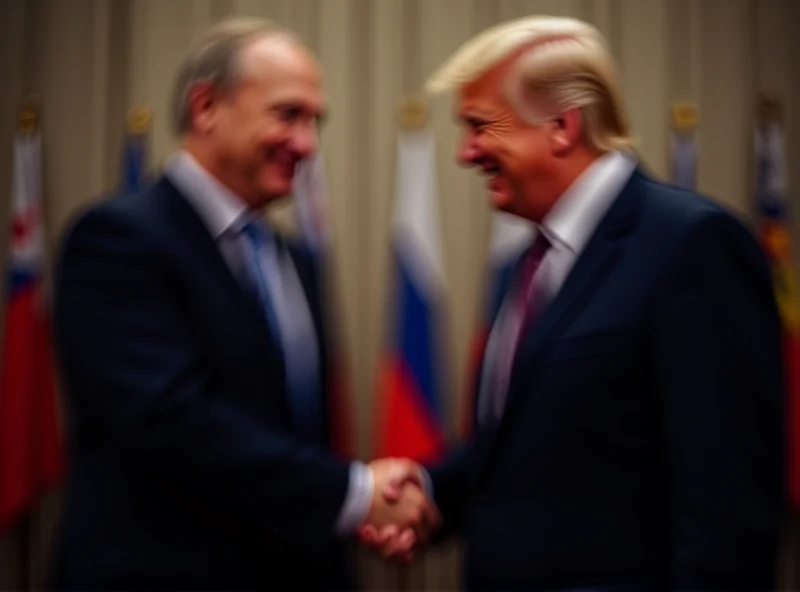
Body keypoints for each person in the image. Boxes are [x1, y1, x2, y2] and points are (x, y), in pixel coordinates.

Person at [363, 15, 786, 591]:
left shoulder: (693, 245)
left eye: (480, 126)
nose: (465, 153)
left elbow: (728, 509)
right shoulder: (529, 261)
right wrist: (428, 491)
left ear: (561, 127)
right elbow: (526, 447)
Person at [50, 18, 437, 591]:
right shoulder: (116, 239)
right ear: (206, 107)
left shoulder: (292, 258)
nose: (307, 145)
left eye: (315, 122)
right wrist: (353, 495)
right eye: (288, 115)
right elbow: (170, 419)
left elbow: (297, 431)